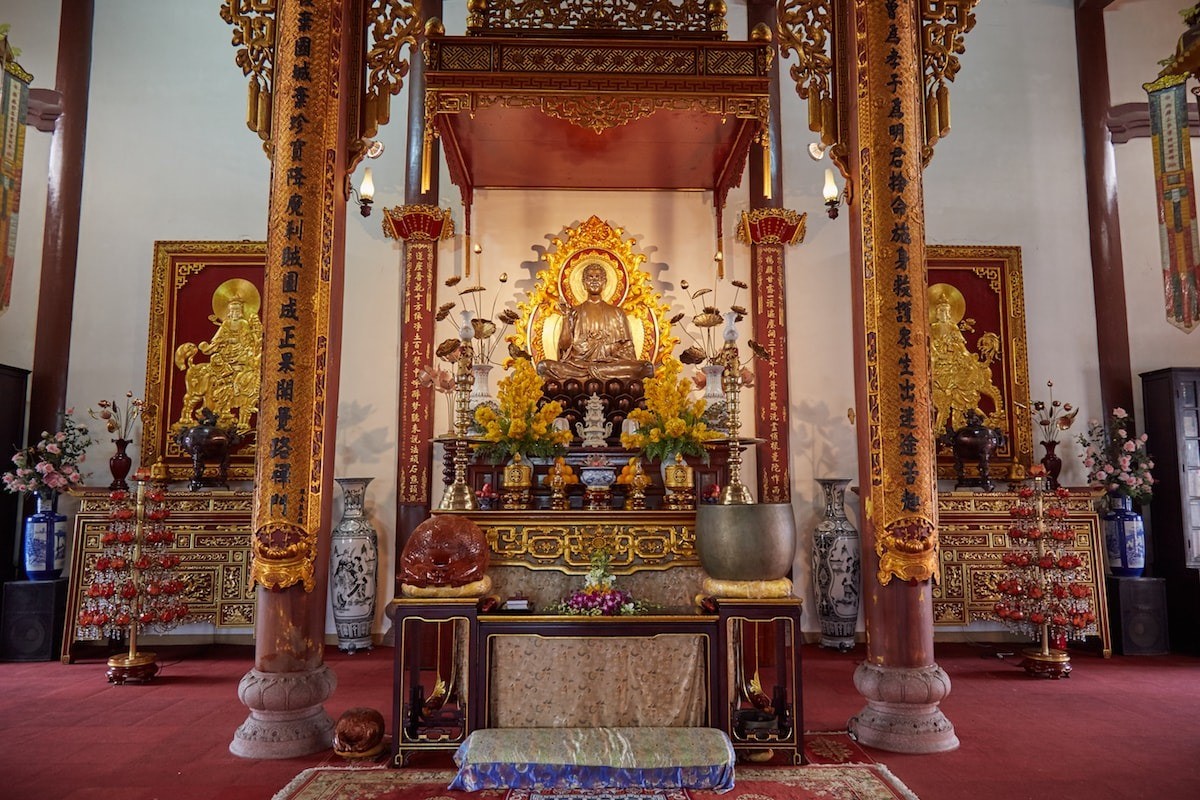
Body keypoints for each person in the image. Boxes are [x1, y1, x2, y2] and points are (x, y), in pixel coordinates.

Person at [537, 262, 653, 382]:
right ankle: (594, 375)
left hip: (608, 367)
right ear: (583, 283)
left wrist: (605, 348)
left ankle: (591, 375)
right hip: (578, 367)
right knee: (544, 366)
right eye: (590, 277)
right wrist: (566, 317)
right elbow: (564, 348)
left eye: (598, 277)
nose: (594, 280)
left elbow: (628, 352)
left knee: (645, 367)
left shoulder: (617, 313)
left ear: (605, 282)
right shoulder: (573, 312)